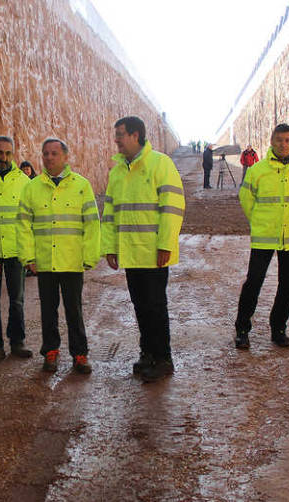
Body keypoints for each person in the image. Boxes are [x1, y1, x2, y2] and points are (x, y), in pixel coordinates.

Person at [103, 116, 185, 382]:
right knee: (140, 306)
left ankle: (163, 358)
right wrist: (110, 248)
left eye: (120, 134)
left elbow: (172, 209)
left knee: (155, 306)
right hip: (130, 253)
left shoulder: (160, 164)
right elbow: (111, 213)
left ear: (136, 135)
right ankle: (147, 352)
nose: (116, 140)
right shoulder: (117, 171)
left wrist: (165, 245)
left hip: (152, 252)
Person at [17, 138, 100, 374]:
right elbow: (23, 225)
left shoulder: (81, 186)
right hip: (44, 262)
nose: (49, 158)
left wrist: (90, 256)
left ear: (65, 157)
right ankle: (50, 351)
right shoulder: (31, 188)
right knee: (48, 310)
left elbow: (92, 224)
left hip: (72, 260)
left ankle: (80, 354)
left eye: (54, 153)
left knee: (74, 309)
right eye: (45, 154)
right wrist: (28, 257)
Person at [234, 124, 289, 349]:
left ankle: (279, 329)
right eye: (279, 140)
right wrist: (257, 221)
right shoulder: (258, 170)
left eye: (287, 140)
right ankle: (242, 329)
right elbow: (246, 198)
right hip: (265, 235)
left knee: (286, 285)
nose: (283, 145)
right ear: (271, 141)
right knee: (254, 282)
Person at [0, 136, 33, 365]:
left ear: (14, 155)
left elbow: (30, 219)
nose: (4, 158)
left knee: (17, 300)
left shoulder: (24, 182)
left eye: (8, 153)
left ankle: (17, 341)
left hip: (15, 251)